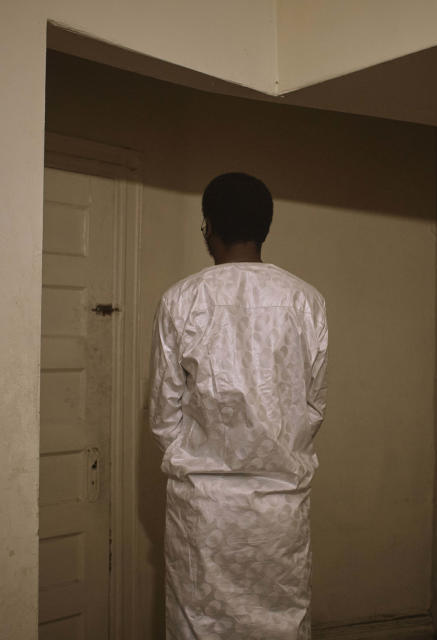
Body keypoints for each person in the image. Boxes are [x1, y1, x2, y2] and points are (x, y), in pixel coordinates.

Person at [149, 172, 328, 639]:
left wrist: (201, 465)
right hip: (279, 512)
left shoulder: (181, 301)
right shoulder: (305, 301)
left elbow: (163, 414)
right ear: (265, 226)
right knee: (281, 627)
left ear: (209, 226)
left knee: (198, 629)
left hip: (203, 514)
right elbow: (314, 406)